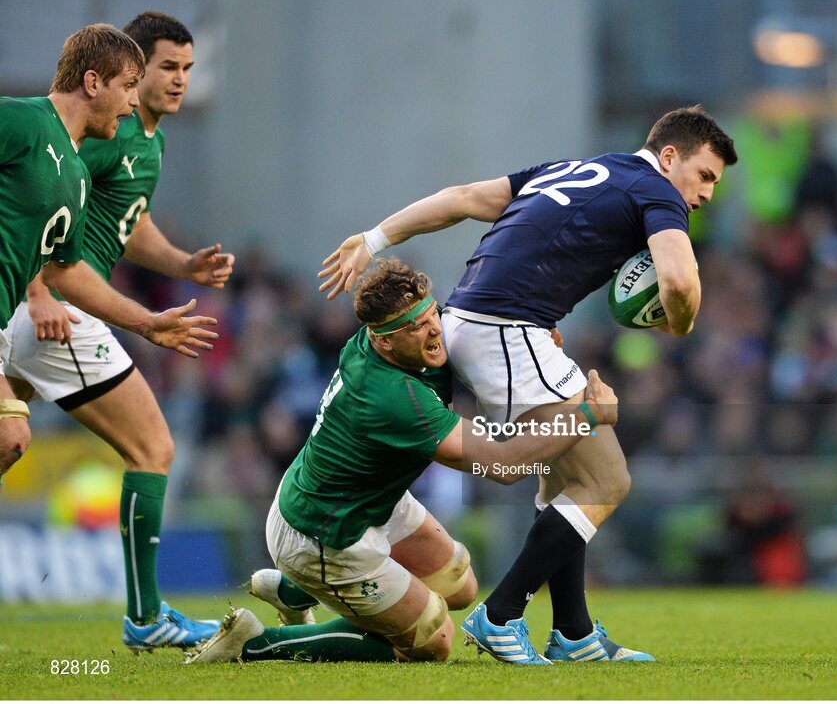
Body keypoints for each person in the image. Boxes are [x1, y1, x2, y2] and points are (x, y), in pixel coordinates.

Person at [319, 106, 738, 664]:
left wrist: (375, 238)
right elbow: (681, 280)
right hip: (506, 329)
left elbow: (464, 197)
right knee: (606, 480)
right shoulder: (657, 192)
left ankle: (574, 632)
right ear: (669, 158)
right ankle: (500, 614)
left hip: (471, 318)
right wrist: (679, 324)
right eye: (705, 175)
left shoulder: (576, 169)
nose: (707, 193)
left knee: (566, 481)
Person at [187, 259, 618, 664]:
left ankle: (295, 592)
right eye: (416, 327)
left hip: (368, 498)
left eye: (432, 314)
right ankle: (256, 643)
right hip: (326, 533)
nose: (434, 331)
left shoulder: (393, 341)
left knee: (460, 585)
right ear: (384, 341)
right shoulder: (392, 397)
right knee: (433, 638)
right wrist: (586, 417)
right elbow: (504, 466)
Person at [2, 14, 233, 651]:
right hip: (50, 313)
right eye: (163, 69)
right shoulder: (96, 132)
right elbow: (33, 212)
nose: (178, 81)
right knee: (153, 449)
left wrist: (183, 264)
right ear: (114, 76)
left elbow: (122, 226)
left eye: (187, 69)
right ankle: (145, 616)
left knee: (6, 441)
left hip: (46, 308)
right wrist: (37, 289)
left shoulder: (142, 143)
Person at [0, 24, 217, 487]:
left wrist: (148, 322)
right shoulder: (22, 122)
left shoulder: (78, 176)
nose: (134, 102)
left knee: (9, 437)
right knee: (10, 434)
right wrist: (36, 298)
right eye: (129, 86)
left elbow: (66, 272)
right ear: (93, 82)